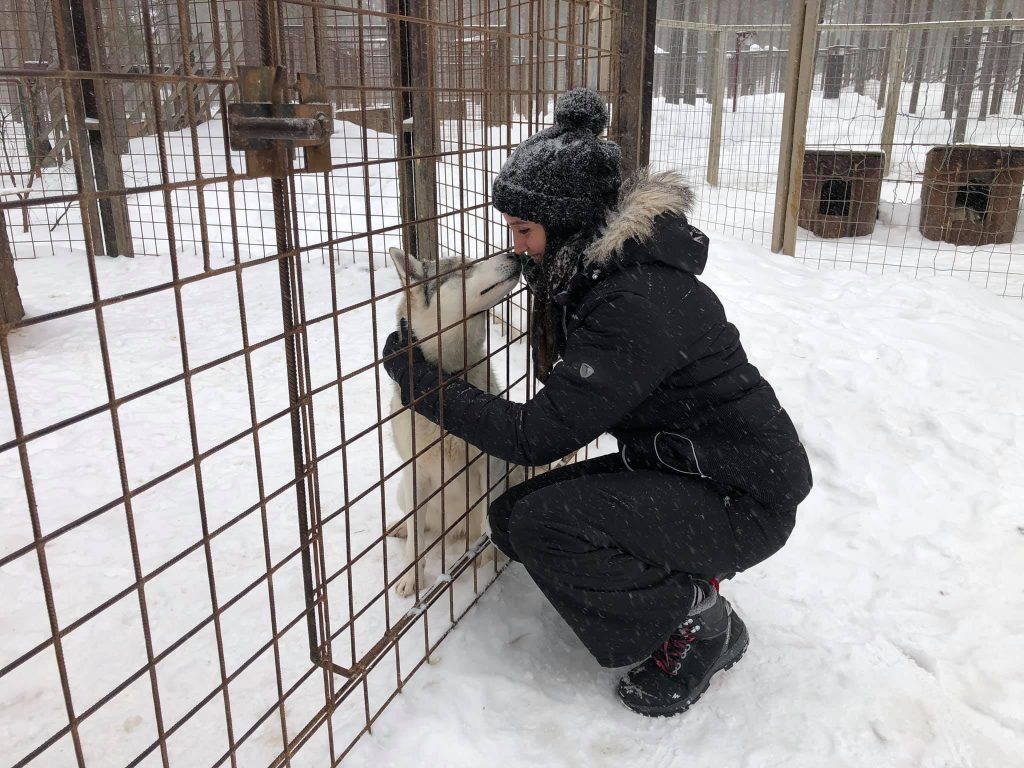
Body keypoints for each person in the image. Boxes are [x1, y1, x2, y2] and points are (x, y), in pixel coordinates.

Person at [381, 88, 813, 717]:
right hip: (694, 470)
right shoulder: (607, 275)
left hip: (740, 498)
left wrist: (424, 387)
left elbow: (536, 438)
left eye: (524, 230)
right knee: (513, 514)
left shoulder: (633, 304)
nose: (518, 246)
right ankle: (678, 587)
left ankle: (698, 620)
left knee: (541, 524)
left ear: (569, 225)